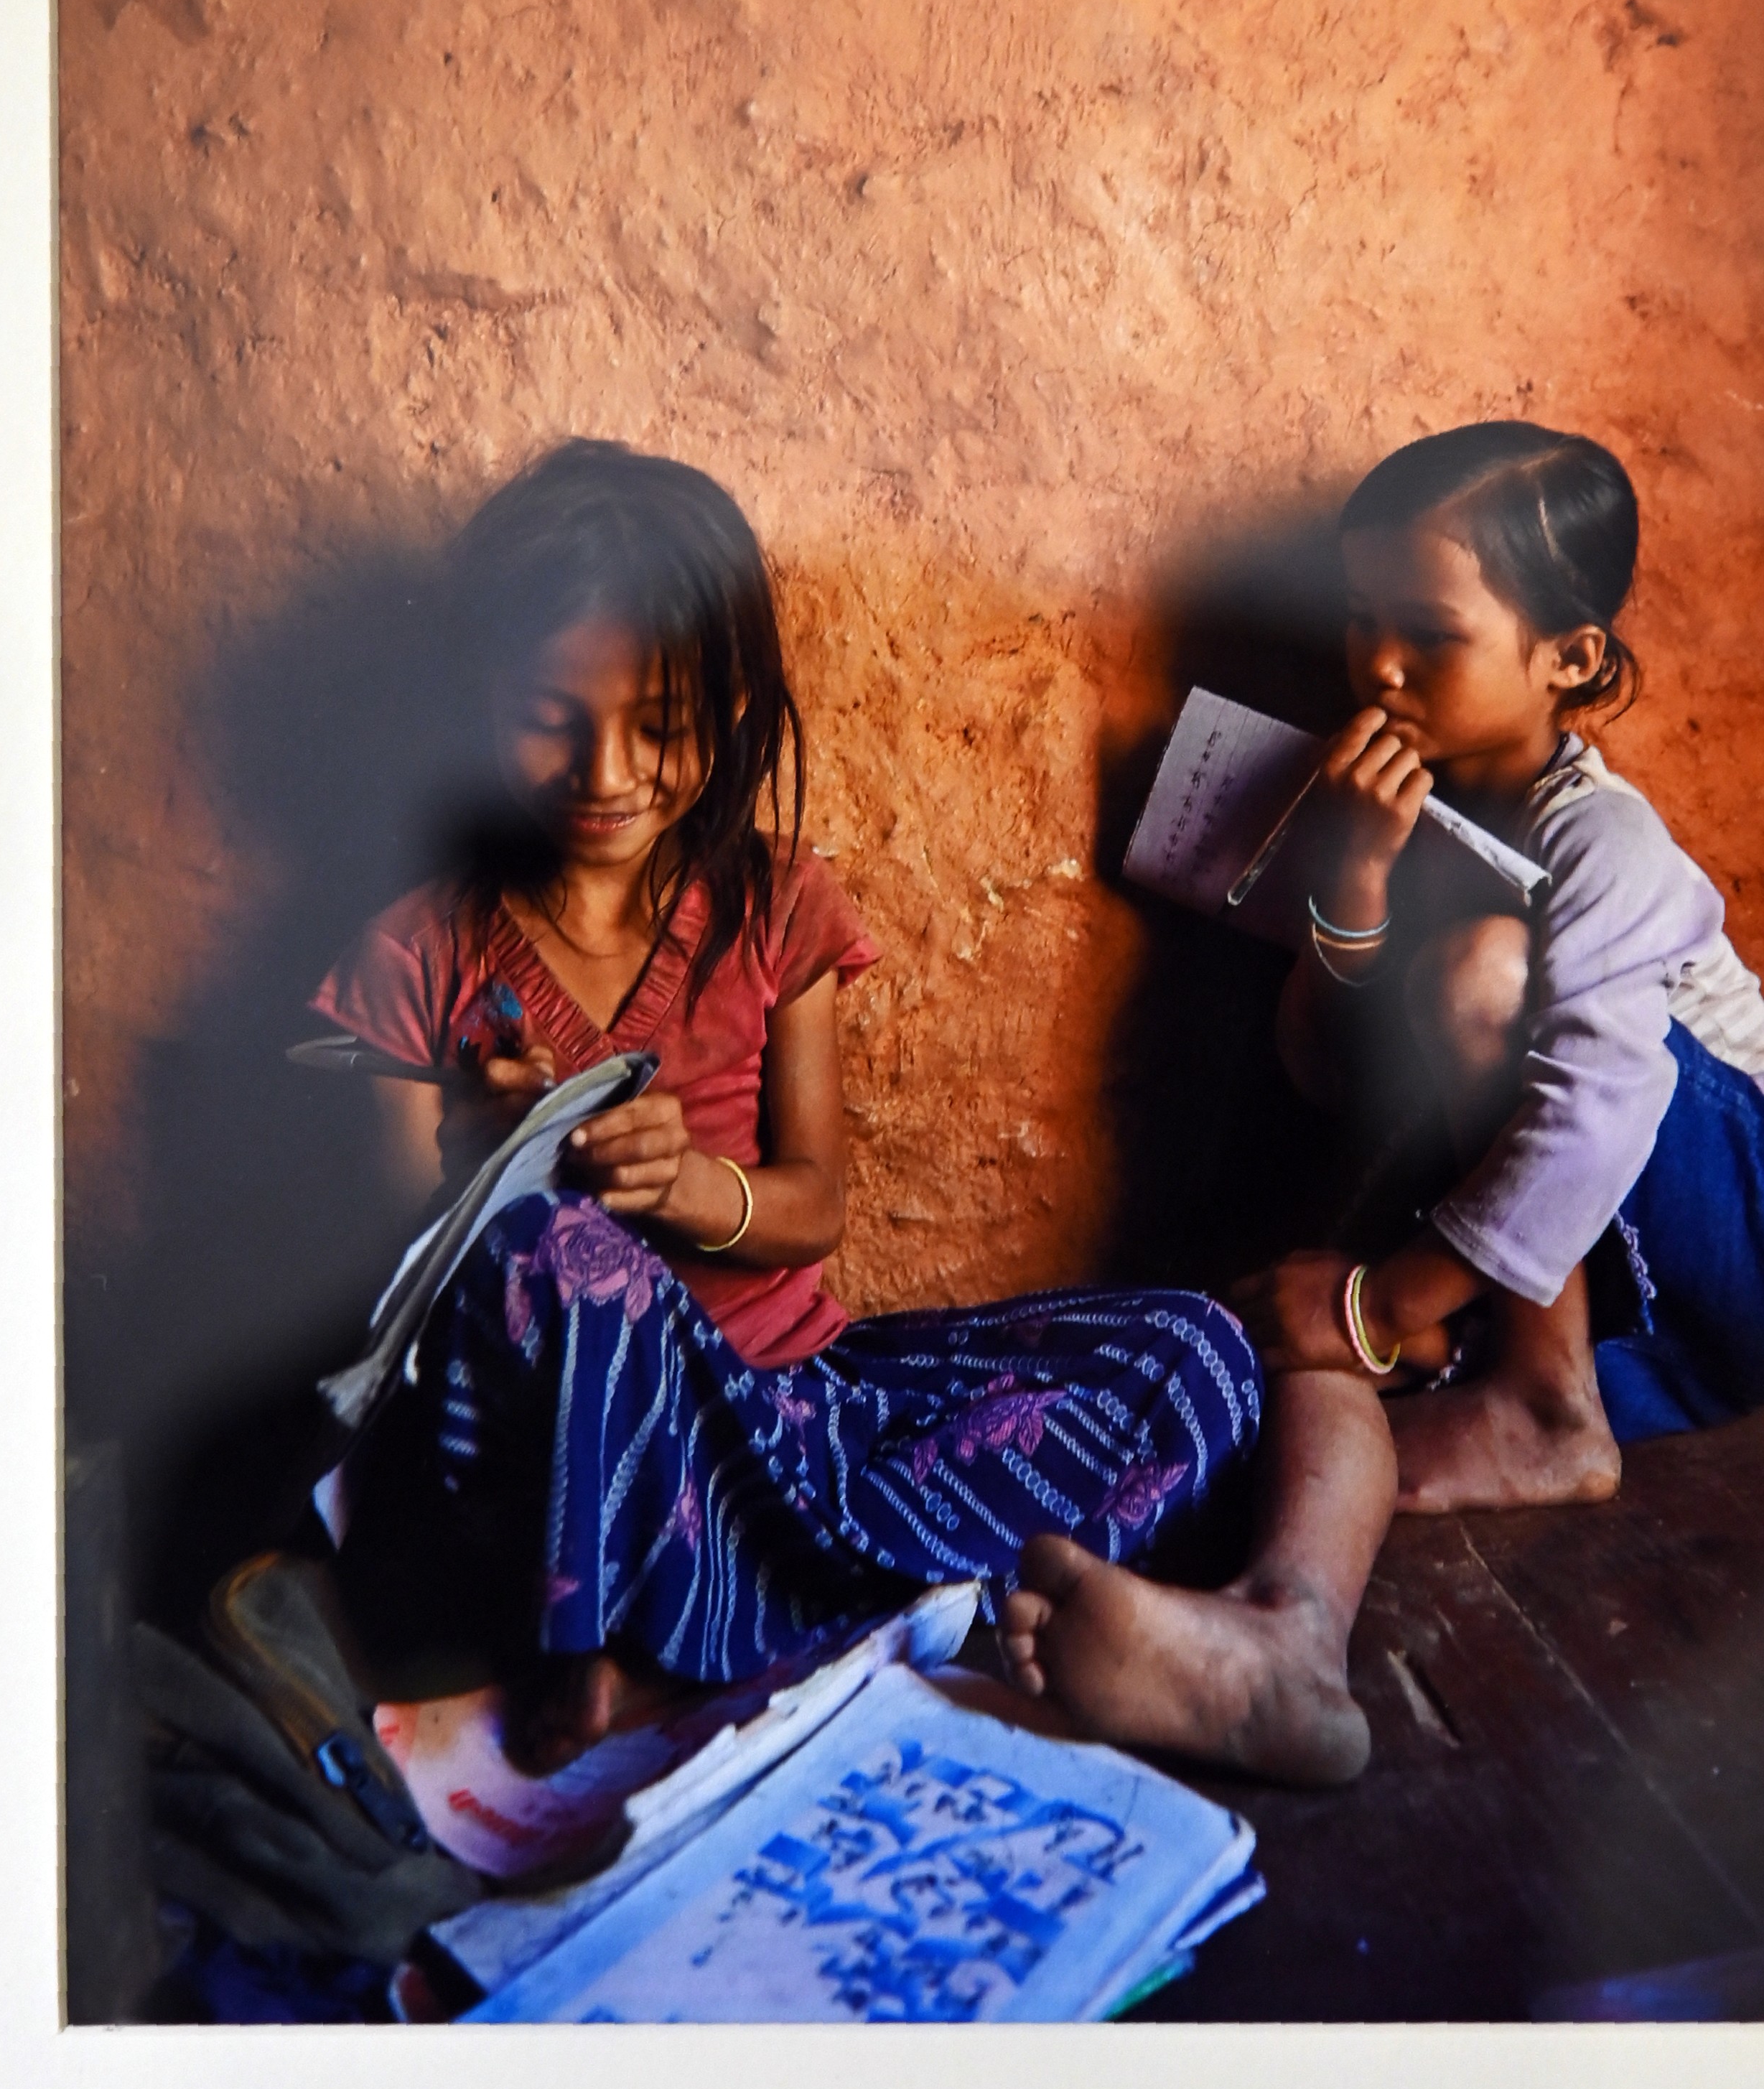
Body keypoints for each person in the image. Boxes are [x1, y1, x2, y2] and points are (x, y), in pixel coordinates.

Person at [312, 439, 1389, 1779]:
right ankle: (697, 1635)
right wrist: (480, 1169)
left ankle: (767, 1630)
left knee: (1193, 1343)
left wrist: (707, 1191)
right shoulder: (419, 955)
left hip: (809, 1415)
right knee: (560, 1259)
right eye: (551, 715)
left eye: (661, 723)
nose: (607, 770)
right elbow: (383, 1294)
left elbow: (811, 1209)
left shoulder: (772, 907)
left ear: (736, 705)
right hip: (601, 1487)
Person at [1228, 422, 1764, 1512]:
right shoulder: (1409, 806)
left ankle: (1538, 1405)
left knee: (1485, 971)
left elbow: (1602, 1106)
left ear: (1573, 658)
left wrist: (1382, 1302)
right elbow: (1328, 1078)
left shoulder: (1601, 838)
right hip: (1645, 1302)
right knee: (1296, 1402)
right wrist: (1353, 879)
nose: (1379, 664)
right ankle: (1528, 1376)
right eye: (1360, 618)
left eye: (1429, 634)